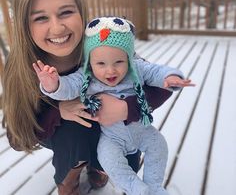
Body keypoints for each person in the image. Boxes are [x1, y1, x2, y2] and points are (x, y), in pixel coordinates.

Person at [1, 0, 174, 195]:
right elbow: (17, 136)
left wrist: (125, 108)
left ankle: (99, 166)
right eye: (40, 18)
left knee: (128, 158)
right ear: (24, 24)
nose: (57, 28)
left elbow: (159, 86)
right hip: (59, 133)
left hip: (112, 129)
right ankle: (69, 177)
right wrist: (59, 111)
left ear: (81, 11)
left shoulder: (102, 43)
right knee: (74, 130)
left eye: (66, 12)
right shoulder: (21, 64)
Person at [33, 16, 195, 195]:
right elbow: (69, 87)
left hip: (142, 130)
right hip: (112, 138)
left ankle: (154, 186)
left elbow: (155, 71)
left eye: (118, 62)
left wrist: (170, 77)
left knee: (159, 146)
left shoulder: (137, 68)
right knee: (109, 160)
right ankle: (136, 188)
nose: (110, 70)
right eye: (101, 64)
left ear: (128, 58)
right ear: (90, 63)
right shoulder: (87, 77)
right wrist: (52, 84)